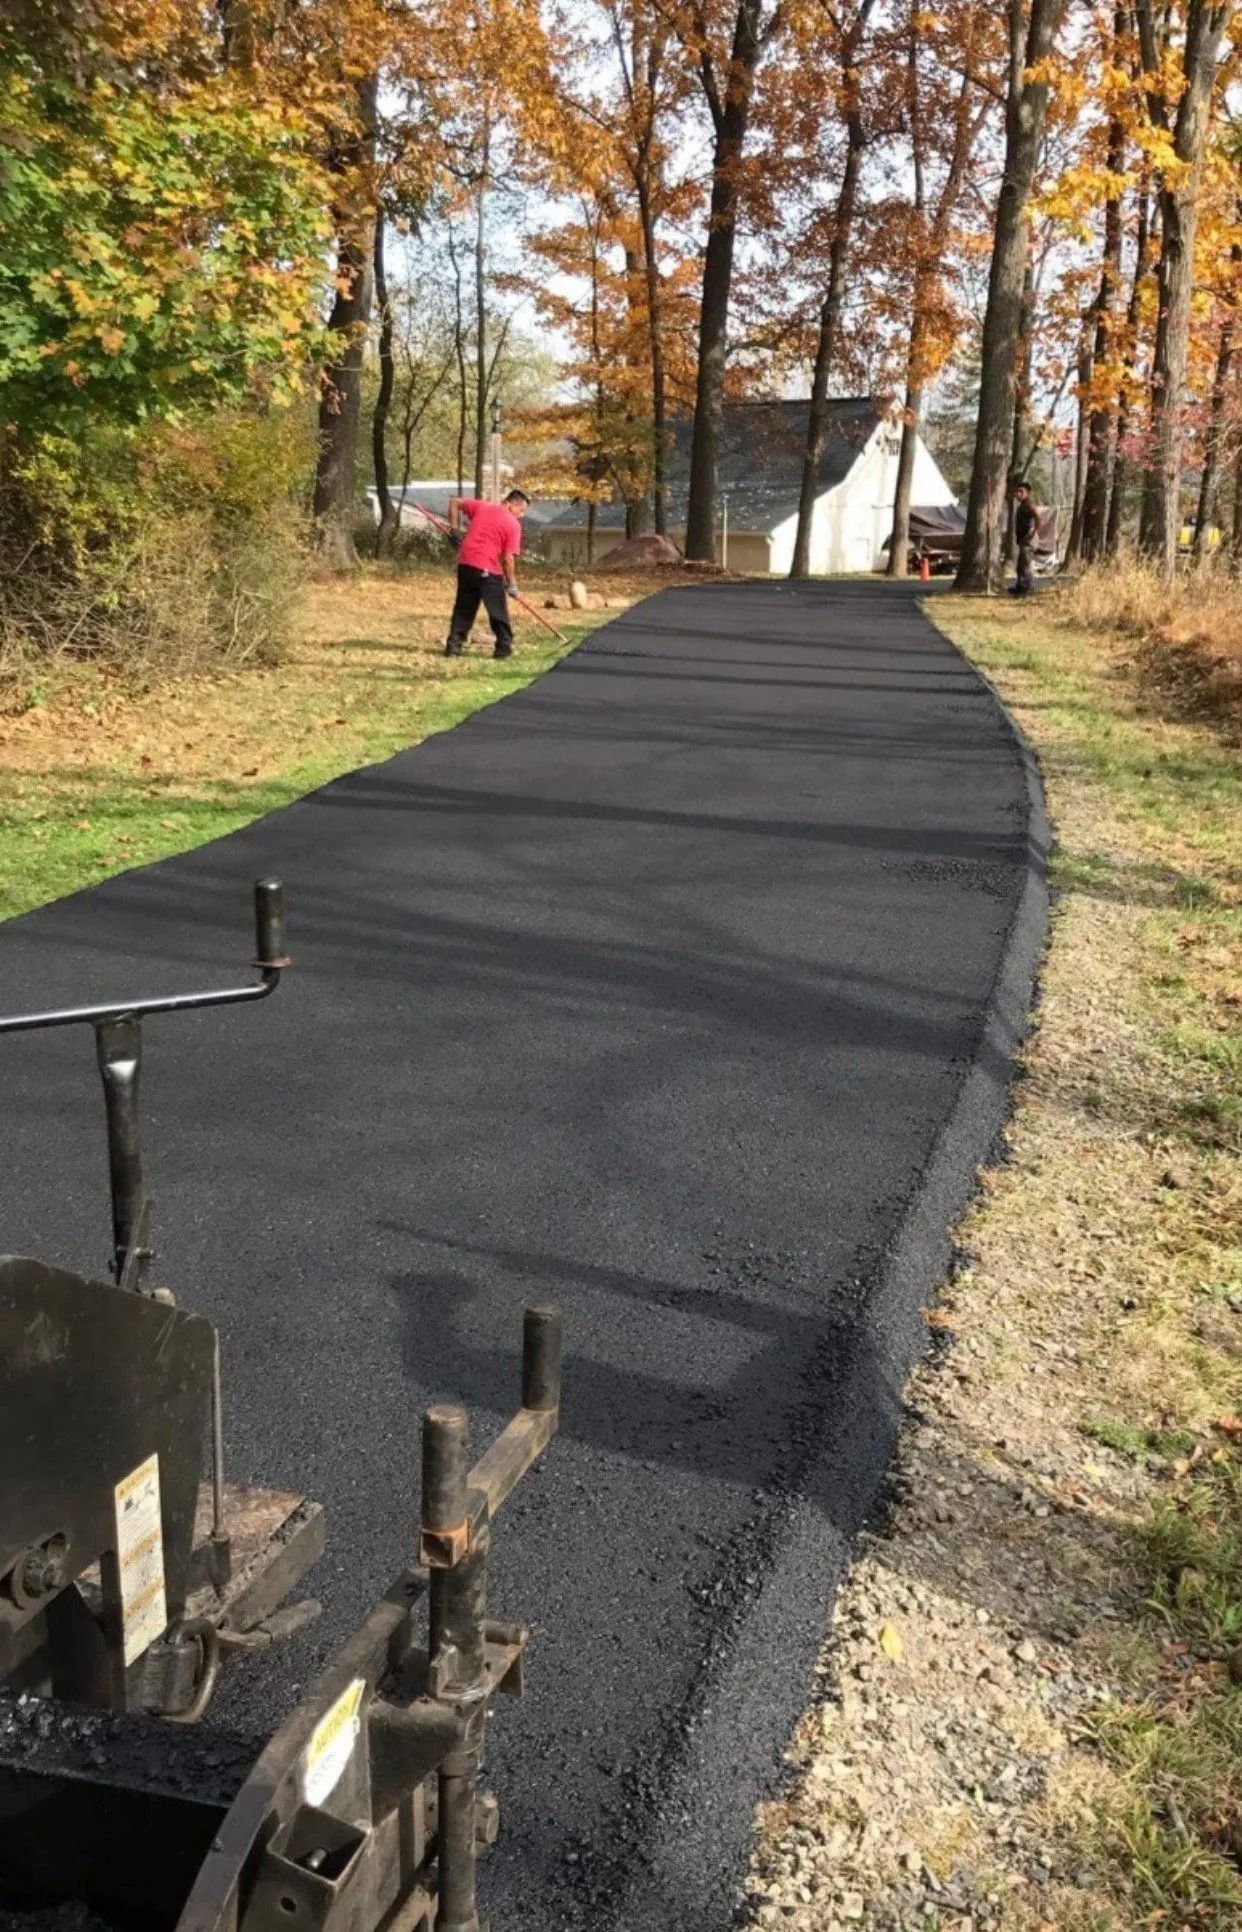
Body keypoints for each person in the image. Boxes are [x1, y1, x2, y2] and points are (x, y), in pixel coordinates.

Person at [444, 488, 530, 658]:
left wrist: (454, 529)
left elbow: (454, 502)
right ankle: (503, 649)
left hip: (465, 563)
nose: (521, 515)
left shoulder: (483, 507)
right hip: (486, 568)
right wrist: (512, 584)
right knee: (497, 610)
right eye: (521, 510)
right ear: (511, 504)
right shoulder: (513, 525)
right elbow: (508, 558)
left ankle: (454, 647)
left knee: (464, 607)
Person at [1011, 481, 1038, 597]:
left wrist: (1033, 530)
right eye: (1017, 492)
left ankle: (1027, 589)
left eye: (1021, 492)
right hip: (1022, 539)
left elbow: (1037, 517)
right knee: (1021, 565)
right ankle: (1020, 587)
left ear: (1028, 493)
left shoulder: (1028, 504)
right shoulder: (1022, 505)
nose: (1018, 494)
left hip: (1028, 539)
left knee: (1026, 565)